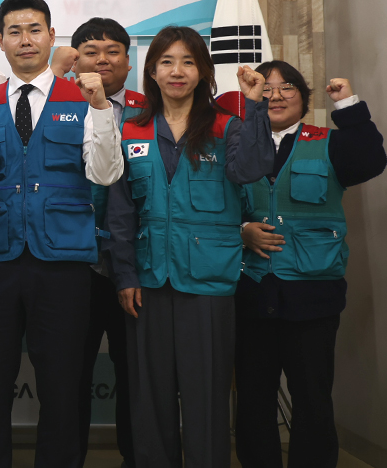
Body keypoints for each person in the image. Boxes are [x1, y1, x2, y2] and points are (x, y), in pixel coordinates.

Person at [0, 0, 124, 467]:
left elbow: (105, 173)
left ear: (51, 36)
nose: (25, 40)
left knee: (63, 387)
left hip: (63, 264)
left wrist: (101, 109)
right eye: (15, 31)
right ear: (1, 41)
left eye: (34, 30)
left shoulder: (84, 99)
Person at [103, 26, 273, 467]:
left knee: (206, 397)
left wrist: (254, 105)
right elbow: (120, 212)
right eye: (166, 62)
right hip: (148, 281)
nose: (177, 71)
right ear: (152, 72)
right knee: (150, 399)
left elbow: (251, 169)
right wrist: (125, 275)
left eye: (188, 62)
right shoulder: (130, 128)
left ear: (203, 72)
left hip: (208, 282)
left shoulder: (227, 125)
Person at [234, 62, 385, 468]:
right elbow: (213, 204)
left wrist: (347, 105)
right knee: (253, 400)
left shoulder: (329, 143)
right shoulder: (237, 144)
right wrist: (241, 230)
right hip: (250, 292)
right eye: (266, 89)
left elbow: (371, 161)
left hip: (313, 296)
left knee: (313, 400)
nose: (276, 95)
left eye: (287, 87)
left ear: (303, 98)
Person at [70, 17, 143, 467]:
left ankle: (136, 457)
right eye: (91, 51)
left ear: (128, 61)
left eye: (113, 51)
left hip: (133, 261)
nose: (102, 59)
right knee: (69, 372)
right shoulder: (54, 105)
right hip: (71, 260)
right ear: (74, 59)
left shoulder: (150, 110)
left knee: (135, 371)